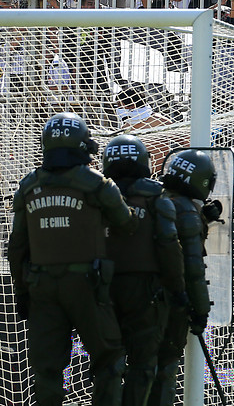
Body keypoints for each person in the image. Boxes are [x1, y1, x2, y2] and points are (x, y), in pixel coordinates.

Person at [7, 112, 137, 405]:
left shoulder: (27, 187)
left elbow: (16, 247)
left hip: (41, 286)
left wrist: (23, 291)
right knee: (109, 357)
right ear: (83, 144)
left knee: (47, 367)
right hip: (88, 285)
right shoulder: (97, 184)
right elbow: (127, 225)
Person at [102, 135, 186, 406]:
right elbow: (168, 245)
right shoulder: (155, 197)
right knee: (143, 365)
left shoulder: (94, 196)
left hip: (101, 289)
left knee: (107, 365)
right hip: (146, 292)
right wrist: (178, 288)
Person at [149, 149, 215, 406]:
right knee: (165, 372)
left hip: (136, 299)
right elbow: (194, 271)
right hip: (170, 305)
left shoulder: (152, 200)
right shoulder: (187, 212)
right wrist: (200, 312)